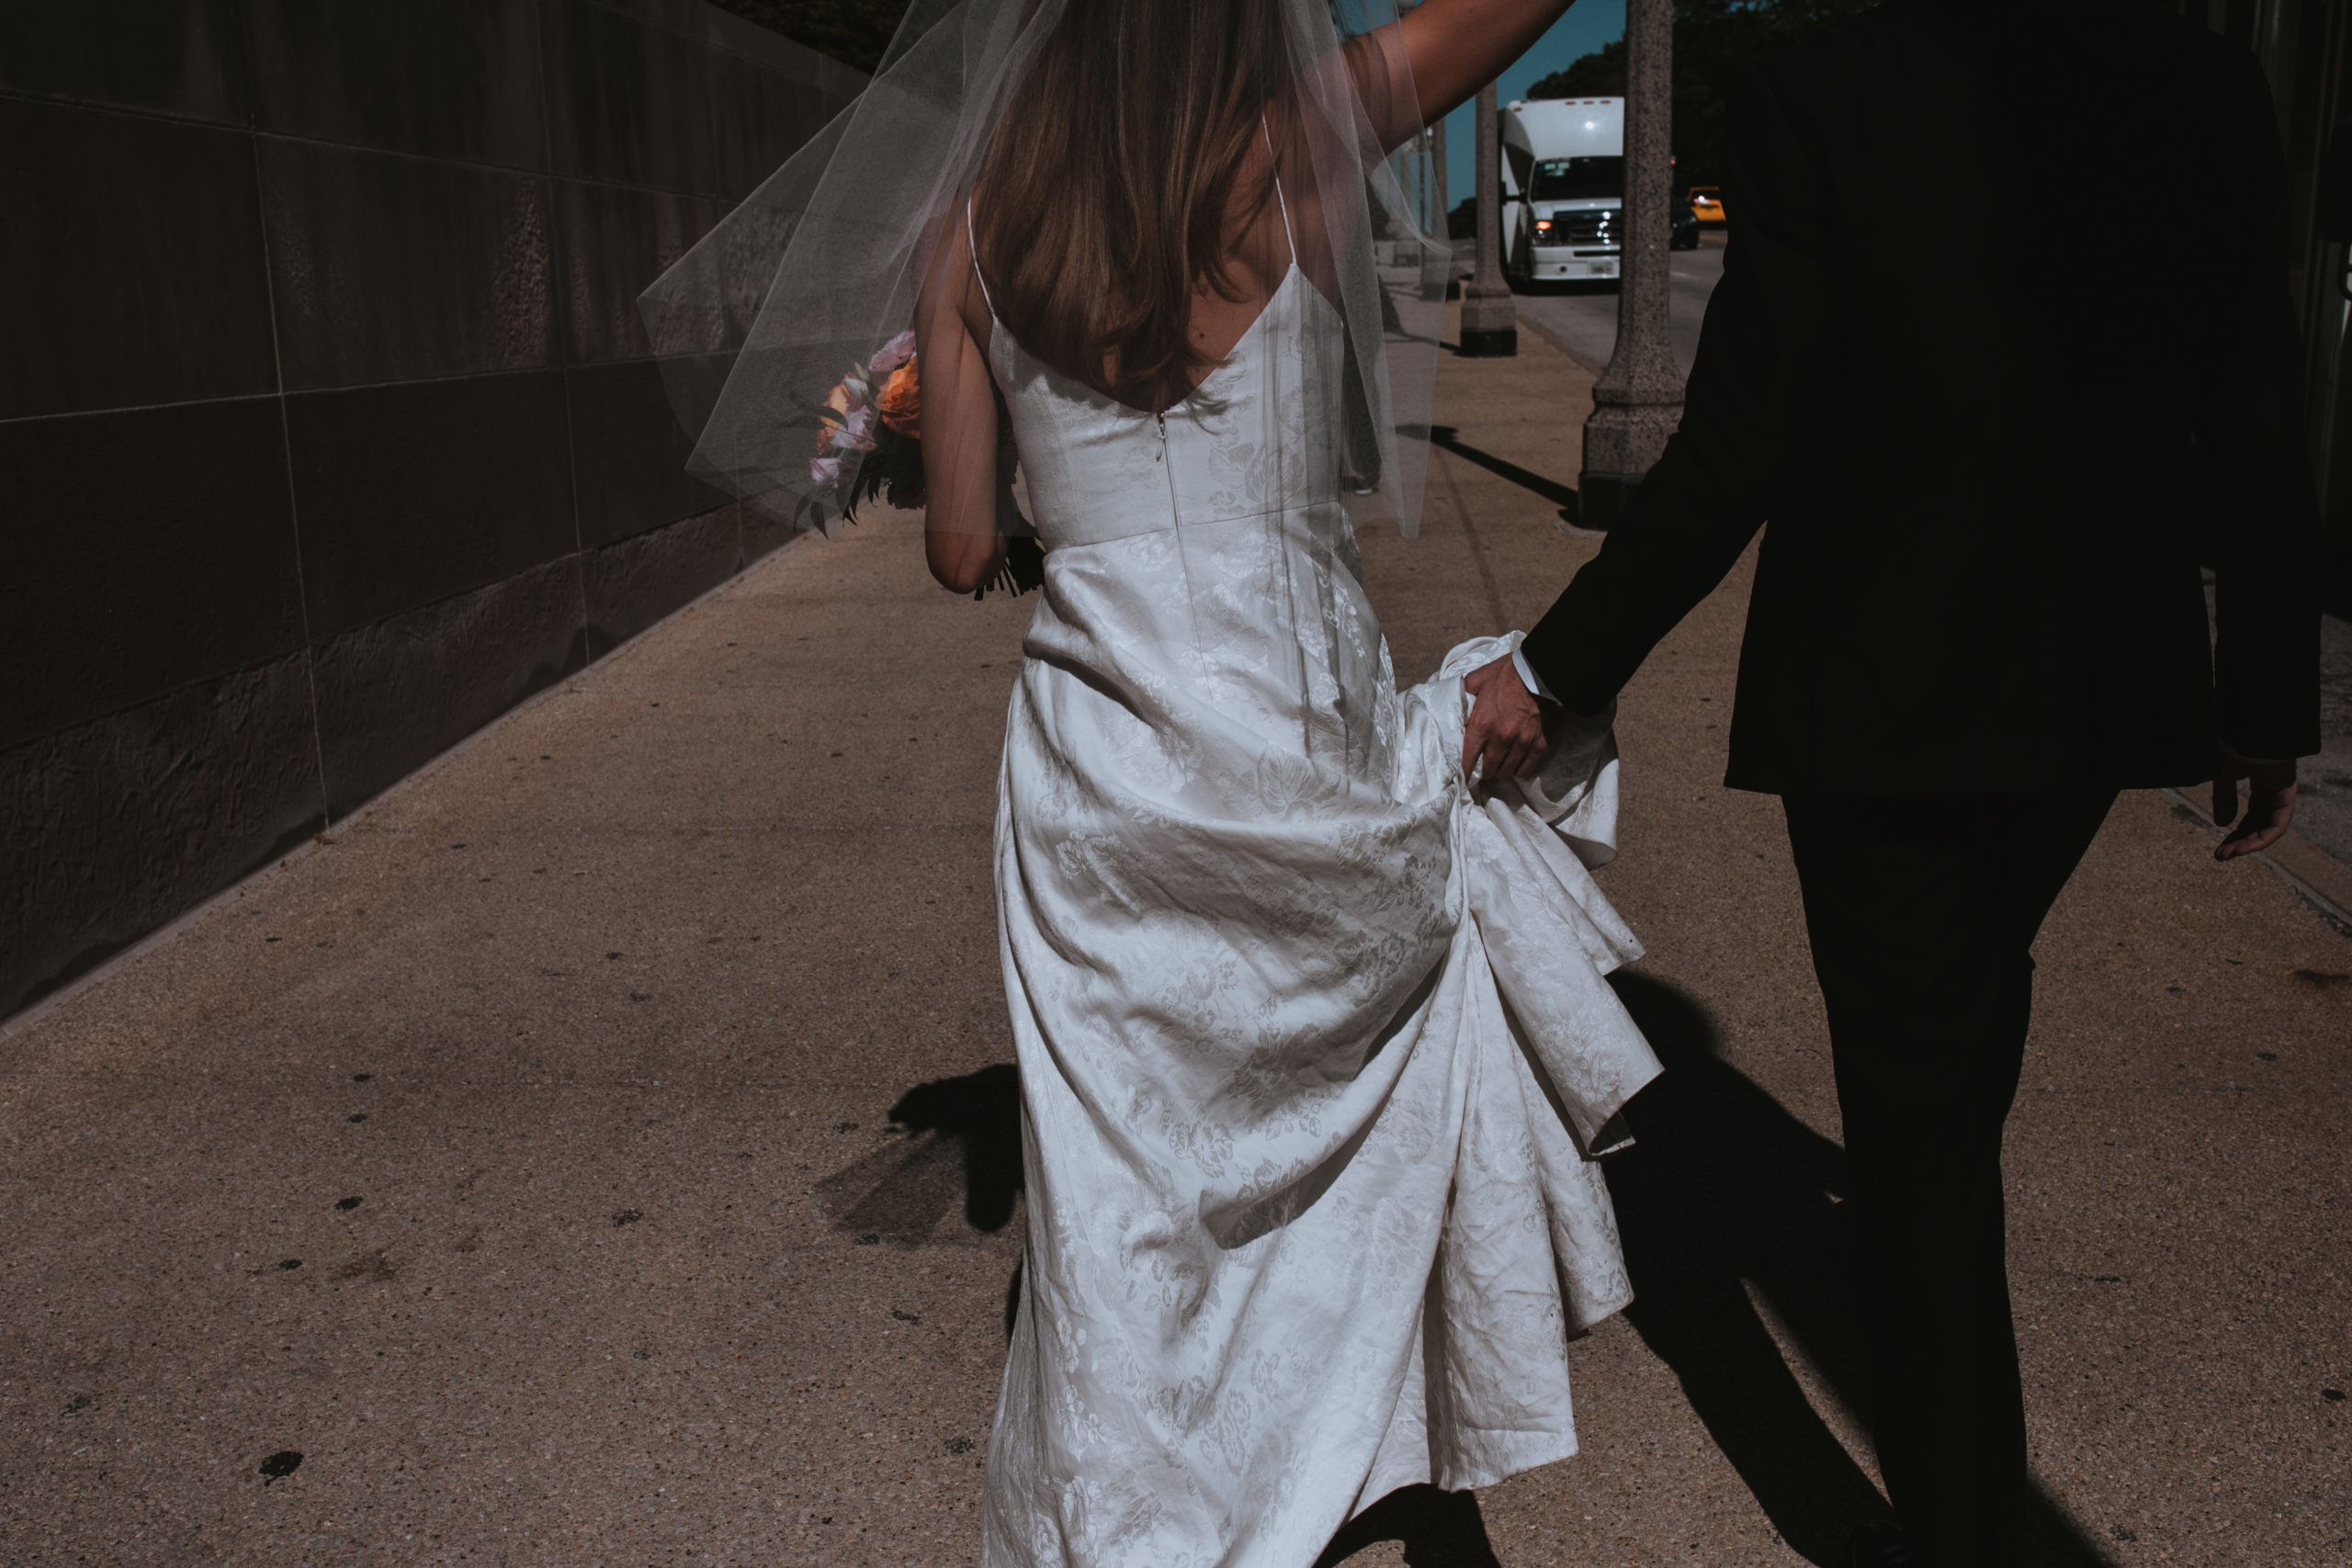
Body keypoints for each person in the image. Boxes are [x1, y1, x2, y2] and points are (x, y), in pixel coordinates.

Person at [1464, 3, 2324, 1564]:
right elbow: (2257, 394)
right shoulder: (2200, 81)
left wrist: (1559, 665)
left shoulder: (1827, 93)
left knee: (1922, 1139)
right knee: (1960, 1040)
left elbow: (1745, 433)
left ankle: (1963, 1529)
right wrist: (2263, 698)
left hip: (1884, 692)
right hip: (2095, 682)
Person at [897, 0, 1673, 1562]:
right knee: (1322, 1115)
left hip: (1105, 770)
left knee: (1126, 1183)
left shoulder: (966, 234)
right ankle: (1329, 1438)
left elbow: (964, 548)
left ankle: (1141, 1519)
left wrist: (1012, 459)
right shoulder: (1295, 142)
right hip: (1299, 738)